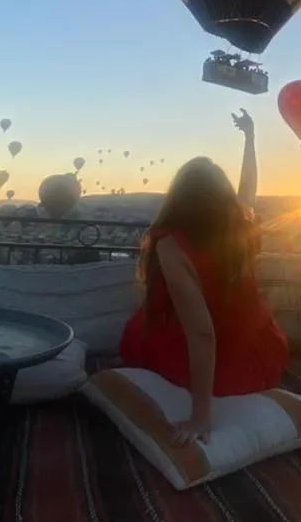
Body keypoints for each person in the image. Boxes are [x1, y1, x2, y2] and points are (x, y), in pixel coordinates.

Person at [119, 109, 288, 446]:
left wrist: (200, 416)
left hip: (221, 372)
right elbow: (249, 188)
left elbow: (201, 334)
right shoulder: (239, 227)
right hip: (261, 357)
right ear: (221, 197)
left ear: (177, 197)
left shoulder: (170, 244)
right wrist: (250, 138)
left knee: (138, 329)